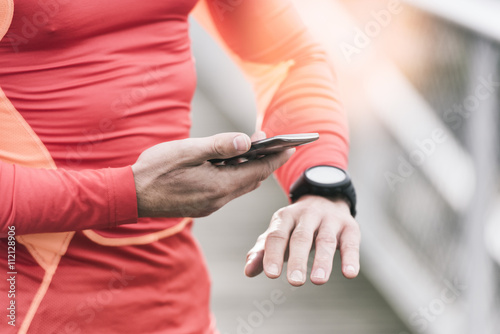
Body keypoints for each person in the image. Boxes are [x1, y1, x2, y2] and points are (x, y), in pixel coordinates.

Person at [0, 0, 360, 333]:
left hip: (174, 306)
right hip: (26, 305)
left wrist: (320, 182)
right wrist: (127, 193)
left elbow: (286, 59)